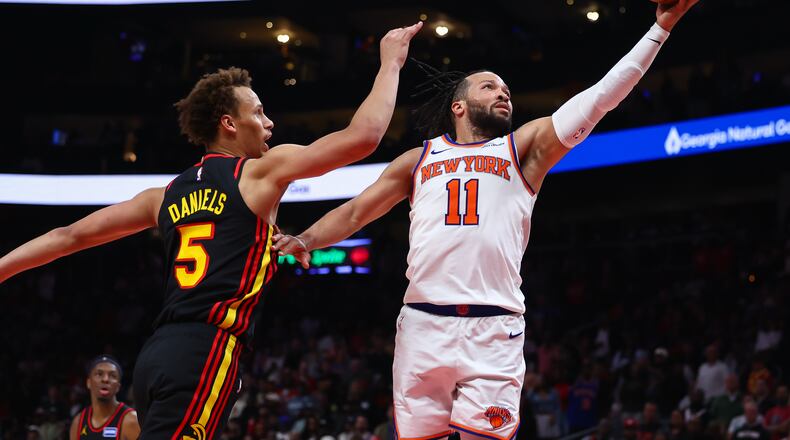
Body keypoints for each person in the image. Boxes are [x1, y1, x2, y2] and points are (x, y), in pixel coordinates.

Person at [272, 1, 698, 438]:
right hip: (423, 323)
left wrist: (660, 29)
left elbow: (601, 98)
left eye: (506, 90)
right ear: (459, 106)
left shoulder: (524, 150)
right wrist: (305, 238)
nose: (503, 94)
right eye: (490, 87)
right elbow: (357, 211)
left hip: (494, 328)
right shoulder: (417, 159)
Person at [0, 22, 422, 438]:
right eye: (258, 112)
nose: (269, 122)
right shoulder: (257, 175)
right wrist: (391, 63)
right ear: (229, 124)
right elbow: (364, 136)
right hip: (207, 349)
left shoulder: (162, 195)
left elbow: (68, 236)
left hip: (156, 356)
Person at [69, 355, 140, 440]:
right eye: (99, 374)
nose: (105, 379)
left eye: (112, 375)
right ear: (88, 382)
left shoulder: (131, 420)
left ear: (118, 387)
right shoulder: (78, 423)